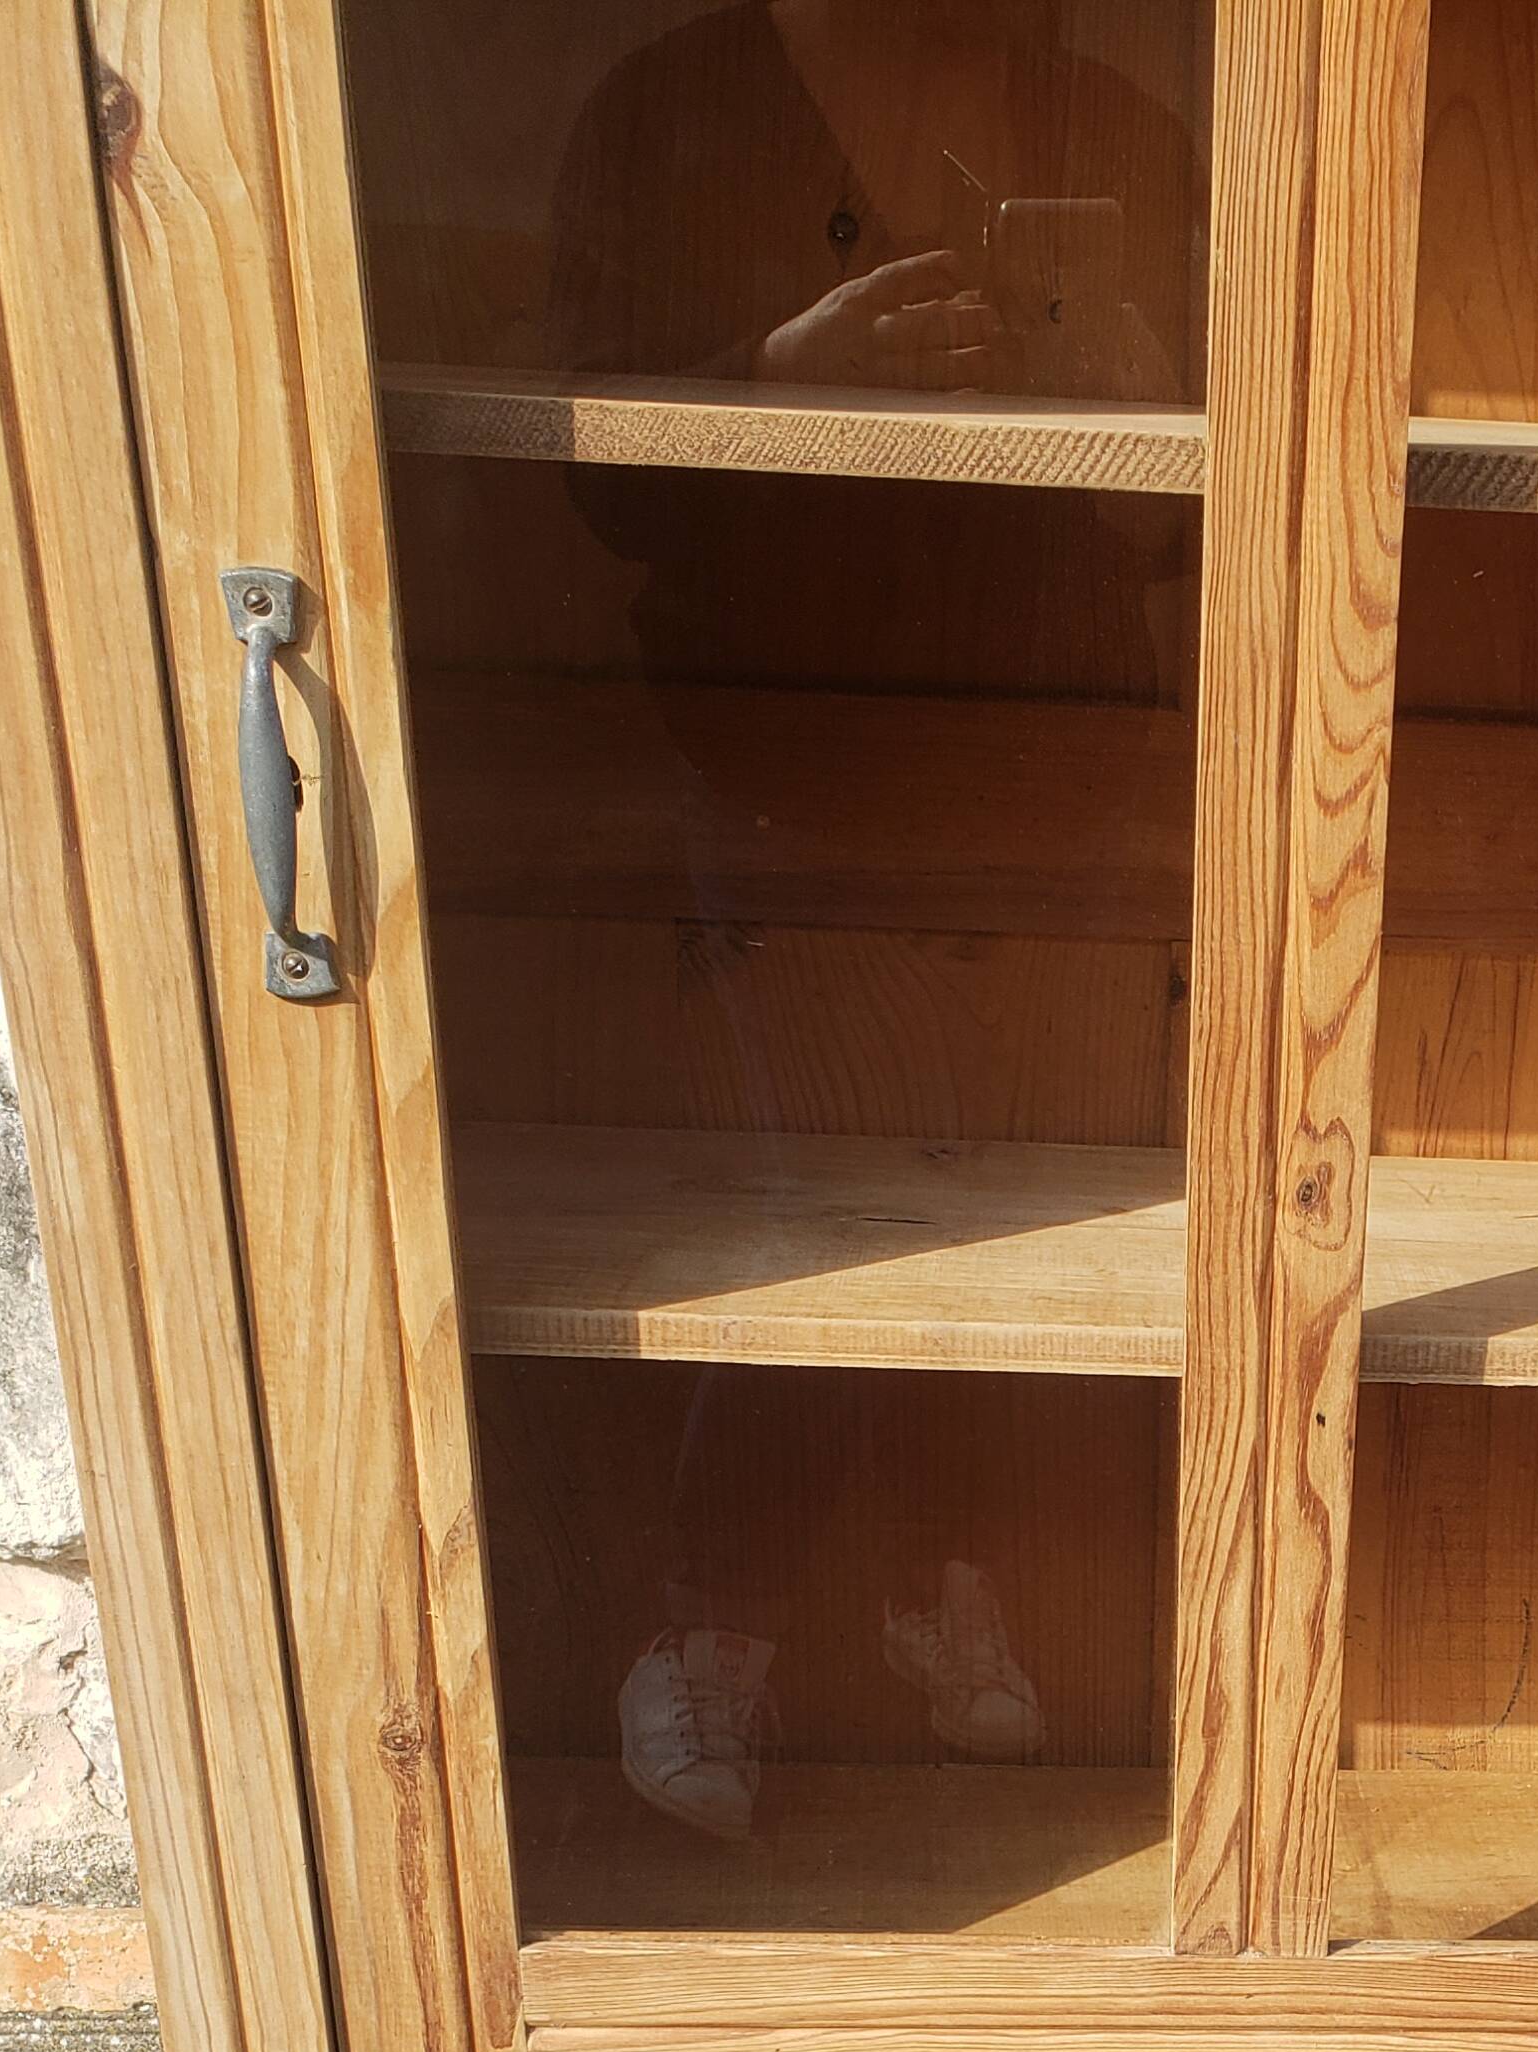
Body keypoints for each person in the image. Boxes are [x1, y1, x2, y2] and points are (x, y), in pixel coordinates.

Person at [542, 2, 1202, 1835]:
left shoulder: (1115, 123)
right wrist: (772, 374)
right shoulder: (665, 108)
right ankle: (725, 1623)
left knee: (1031, 1211)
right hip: (778, 761)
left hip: (1063, 766)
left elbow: (1216, 524)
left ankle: (937, 1574)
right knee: (812, 1210)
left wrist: (1143, 408)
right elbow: (598, 490)